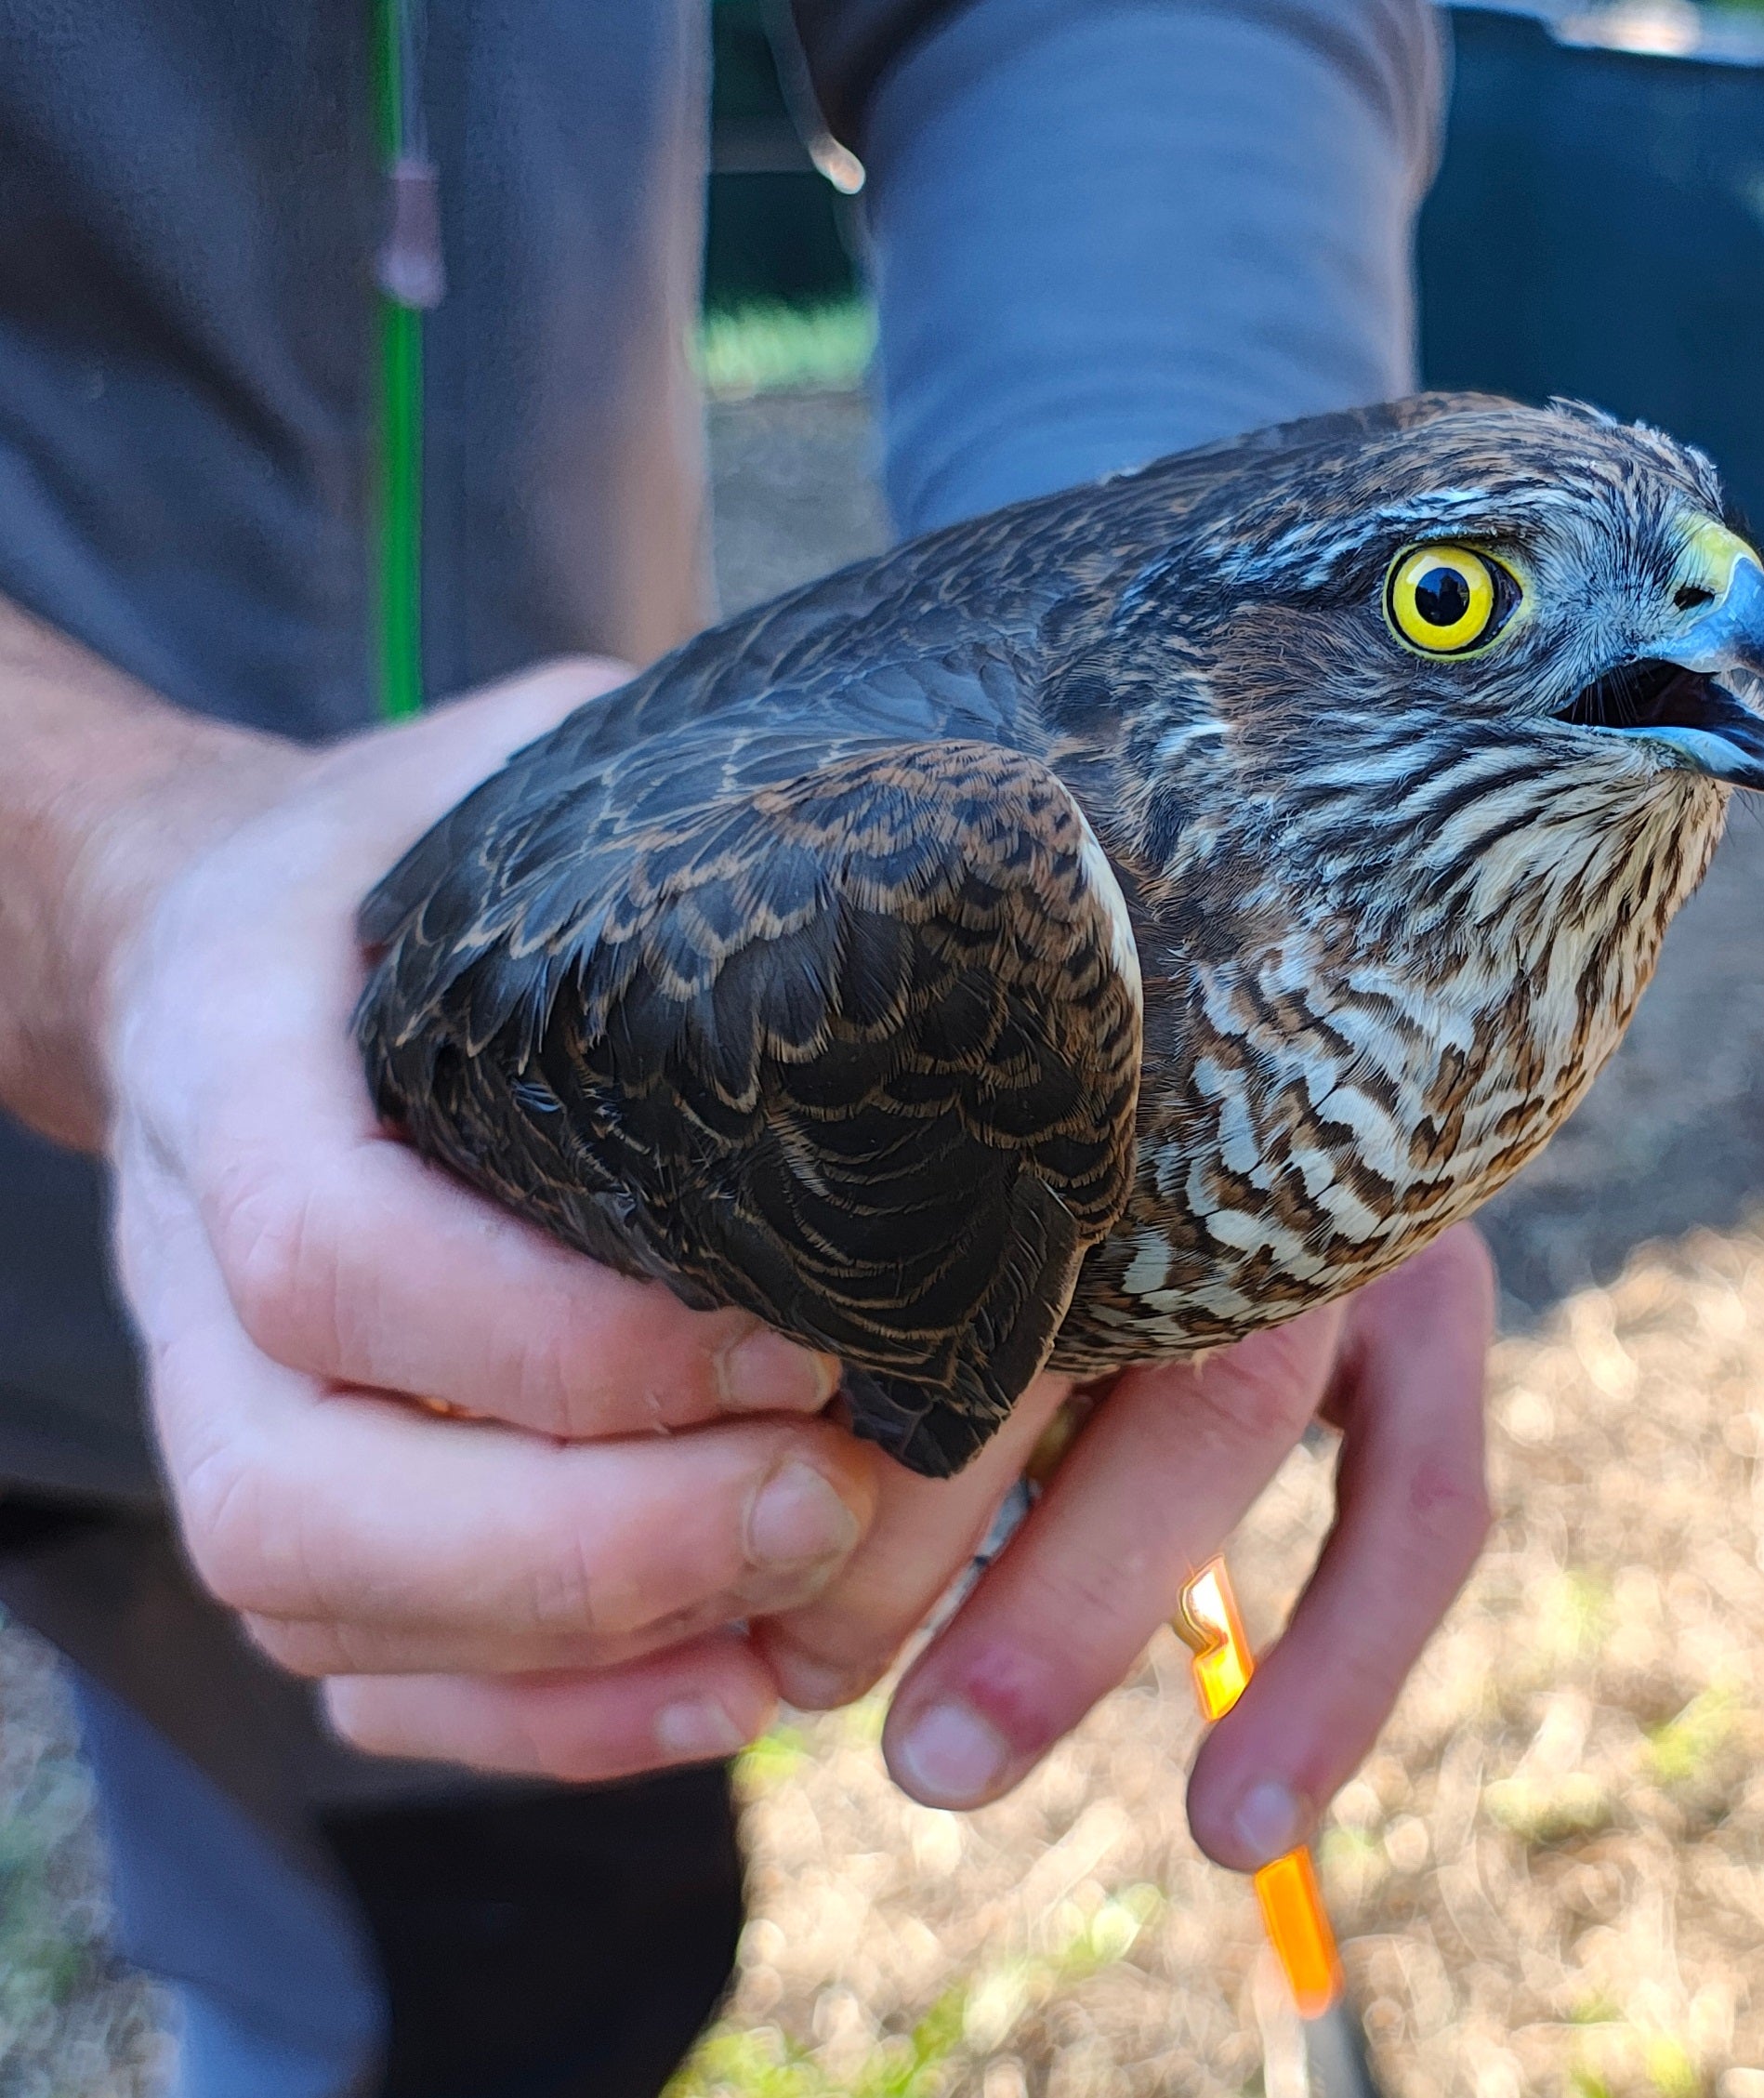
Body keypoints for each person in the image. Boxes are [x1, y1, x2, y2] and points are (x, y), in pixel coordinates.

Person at [0, 2, 1496, 2091]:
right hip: (160, 1202)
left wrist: (1216, 819)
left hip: (555, 1321)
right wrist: (85, 864)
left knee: (497, 1997)